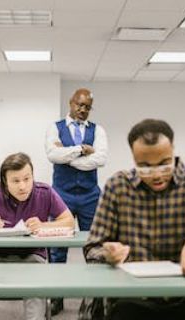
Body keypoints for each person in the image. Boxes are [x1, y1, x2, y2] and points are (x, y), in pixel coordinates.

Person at [84, 119, 185, 320]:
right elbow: (92, 249)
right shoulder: (118, 186)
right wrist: (108, 253)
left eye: (164, 164)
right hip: (132, 298)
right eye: (145, 167)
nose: (157, 175)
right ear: (133, 158)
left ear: (173, 150)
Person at [0, 152, 75, 320]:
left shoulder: (45, 192)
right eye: (16, 181)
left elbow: (68, 221)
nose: (23, 186)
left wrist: (43, 225)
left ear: (33, 176)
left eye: (27, 179)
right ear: (5, 182)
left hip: (33, 257)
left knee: (36, 295)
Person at [45, 88, 108, 315]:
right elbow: (52, 155)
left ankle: (94, 300)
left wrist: (68, 155)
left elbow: (100, 159)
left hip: (90, 195)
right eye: (79, 105)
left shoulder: (98, 130)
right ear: (71, 103)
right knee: (57, 247)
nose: (83, 110)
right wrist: (82, 150)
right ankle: (56, 297)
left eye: (87, 107)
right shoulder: (55, 127)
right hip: (61, 194)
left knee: (94, 247)